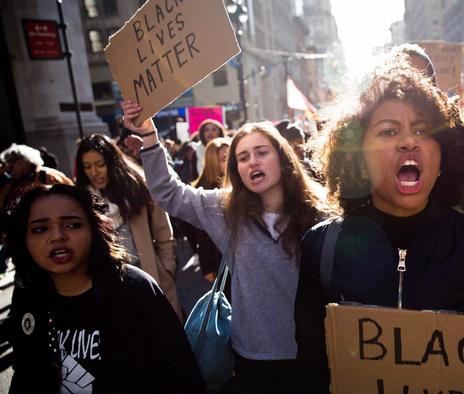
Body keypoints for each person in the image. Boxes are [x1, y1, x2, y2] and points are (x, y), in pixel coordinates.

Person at [293, 57, 464, 394]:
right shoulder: (322, 249)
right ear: (358, 157)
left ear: (444, 154)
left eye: (422, 130)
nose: (409, 142)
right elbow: (311, 370)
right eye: (389, 131)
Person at [121, 100, 331, 394]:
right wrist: (149, 137)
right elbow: (168, 192)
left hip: (315, 356)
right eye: (242, 157)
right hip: (252, 361)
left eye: (261, 153)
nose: (252, 162)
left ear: (282, 158)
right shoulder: (224, 208)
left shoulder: (318, 212)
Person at [5, 184, 205, 393]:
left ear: (94, 228)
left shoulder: (135, 288)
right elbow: (24, 373)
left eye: (72, 225)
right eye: (40, 229)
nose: (57, 236)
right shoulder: (27, 294)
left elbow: (183, 376)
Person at [396, 43, 464, 232]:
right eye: (401, 81)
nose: (410, 91)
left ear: (433, 87)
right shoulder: (372, 138)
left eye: (418, 81)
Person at [75, 134, 182, 320]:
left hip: (151, 277)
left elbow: (164, 232)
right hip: (109, 287)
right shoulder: (81, 200)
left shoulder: (138, 187)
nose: (94, 172)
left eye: (100, 164)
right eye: (87, 166)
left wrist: (167, 268)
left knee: (164, 338)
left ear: (112, 162)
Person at [191, 137, 230, 282]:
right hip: (220, 259)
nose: (230, 161)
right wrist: (207, 266)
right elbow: (202, 234)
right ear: (213, 162)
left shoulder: (239, 182)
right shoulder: (206, 192)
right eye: (224, 158)